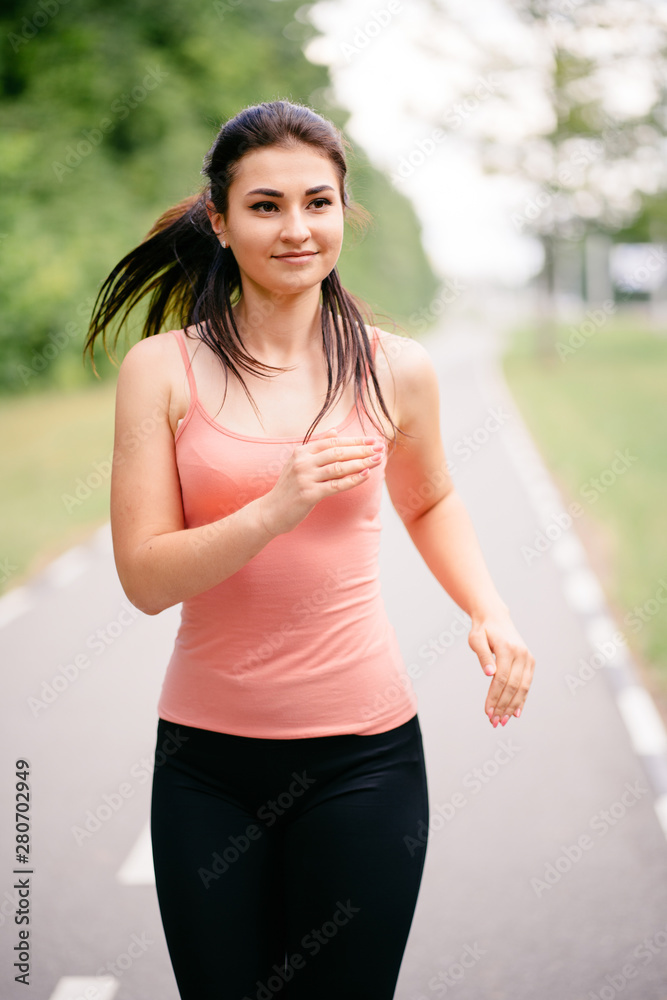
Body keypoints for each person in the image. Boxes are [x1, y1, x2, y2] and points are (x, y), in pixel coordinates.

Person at [84, 99, 535, 1000]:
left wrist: (489, 609)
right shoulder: (163, 371)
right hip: (206, 770)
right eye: (264, 205)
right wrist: (274, 505)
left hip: (364, 763)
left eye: (317, 202)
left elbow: (431, 495)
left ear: (341, 211)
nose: (297, 228)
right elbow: (143, 579)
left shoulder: (393, 368)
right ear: (218, 219)